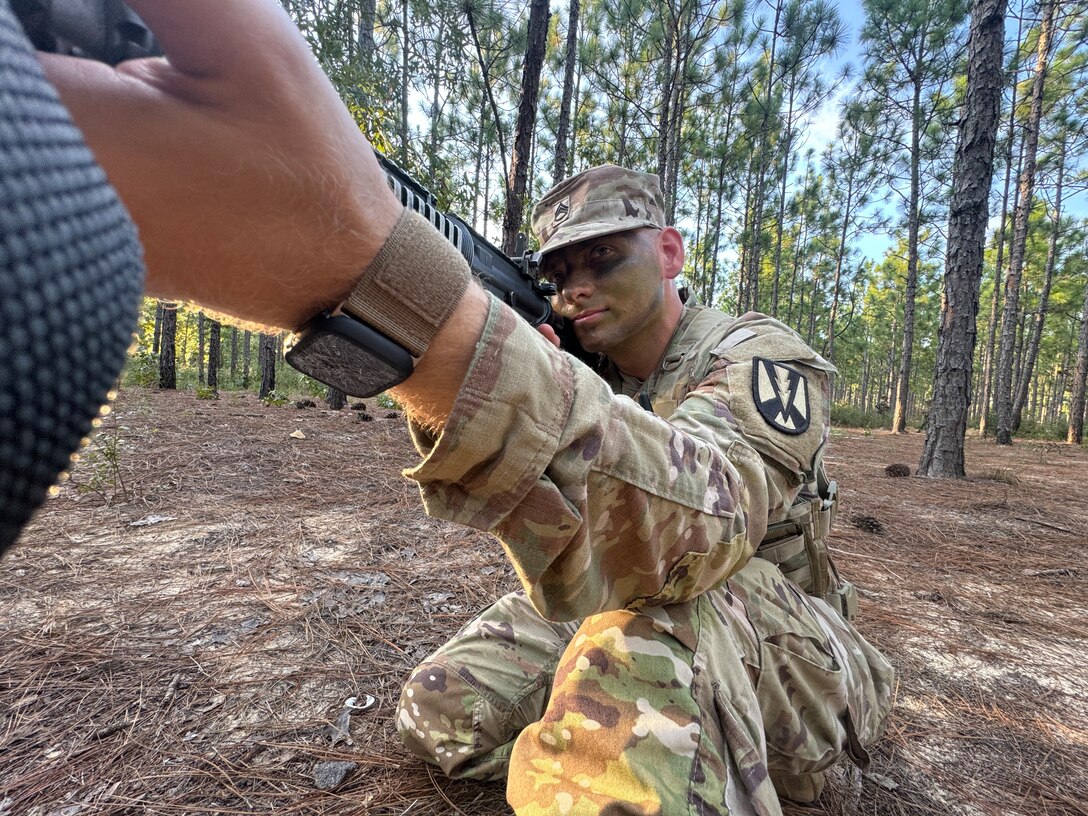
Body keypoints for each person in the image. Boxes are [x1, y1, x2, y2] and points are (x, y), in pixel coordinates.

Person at [19, 1, 893, 812]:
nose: (577, 289)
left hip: (786, 642)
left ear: (668, 250)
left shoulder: (757, 353)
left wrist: (426, 310)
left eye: (605, 260)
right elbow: (555, 530)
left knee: (652, 641)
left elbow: (703, 537)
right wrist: (517, 367)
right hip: (644, 599)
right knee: (442, 711)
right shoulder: (588, 362)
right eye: (558, 275)